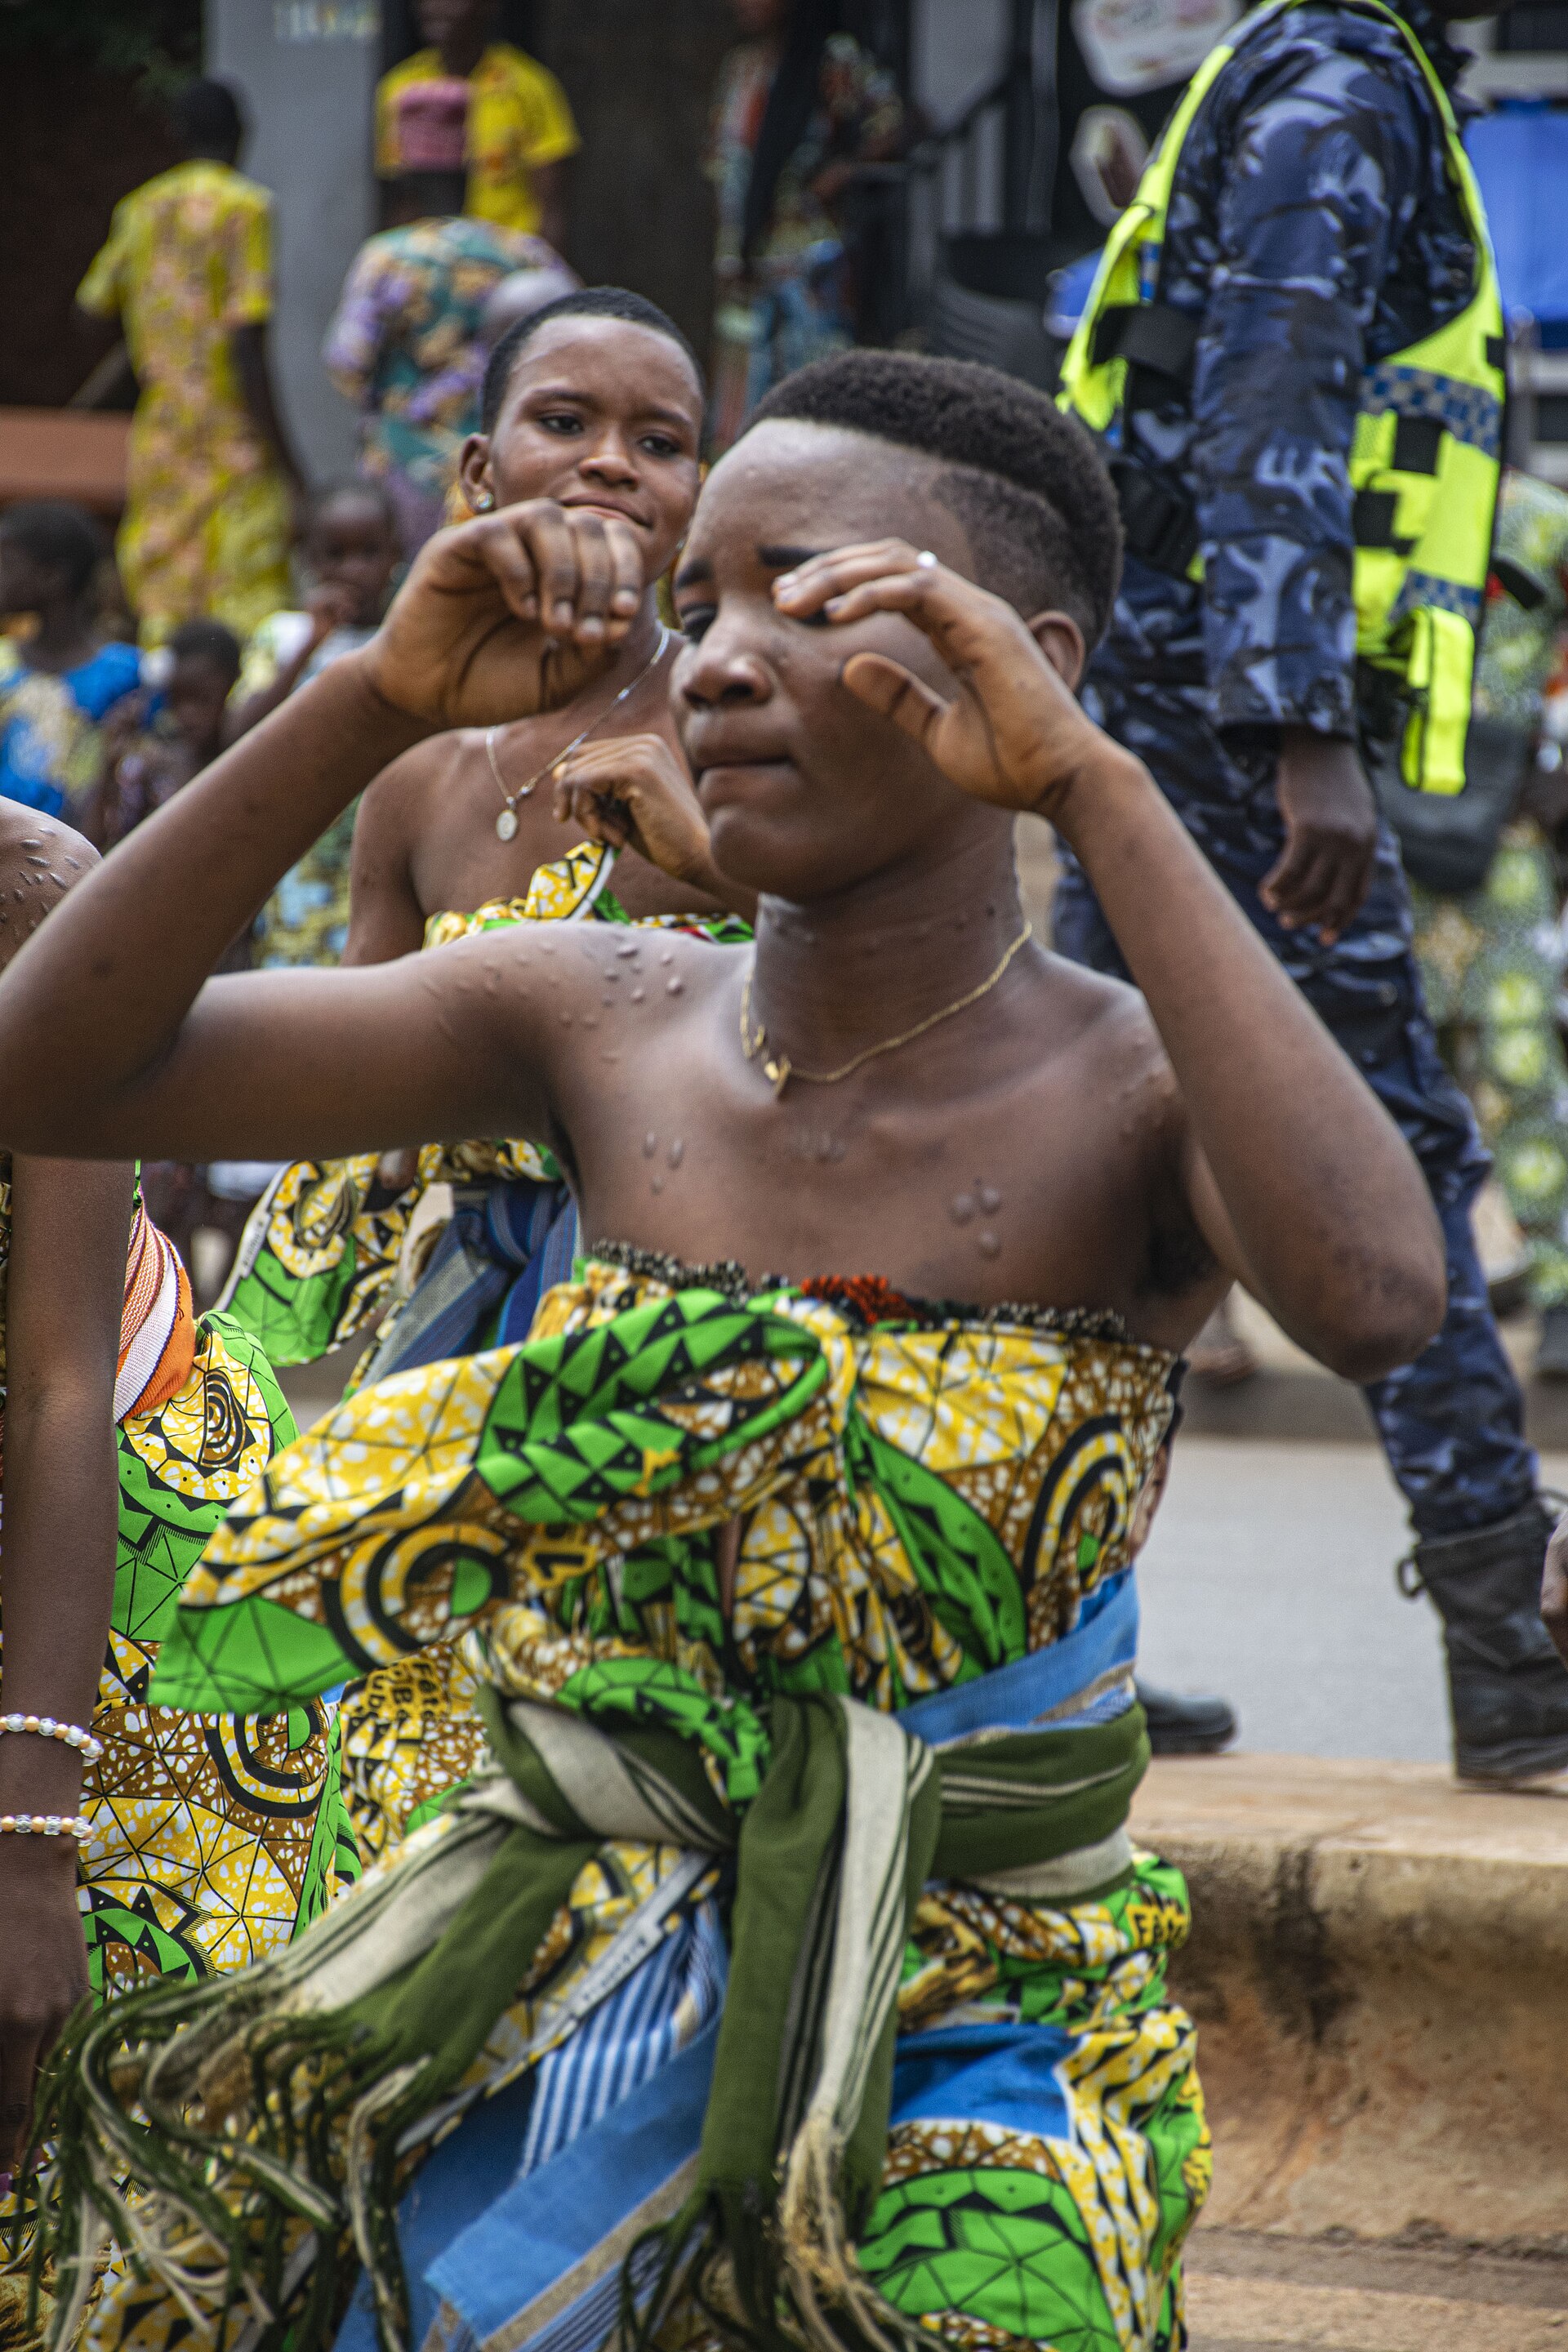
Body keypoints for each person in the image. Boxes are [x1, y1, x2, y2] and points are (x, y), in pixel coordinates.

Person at [0, 350, 1445, 2352]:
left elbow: (1377, 1291)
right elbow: (55, 1064)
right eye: (700, 607)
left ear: (1021, 660)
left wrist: (1096, 789)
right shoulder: (597, 1013)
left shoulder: (1131, 1092)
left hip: (982, 2029)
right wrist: (371, 700)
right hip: (523, 1985)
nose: (723, 659)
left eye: (817, 598)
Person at [1056, 0, 1568, 1782]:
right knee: (1386, 1156)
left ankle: (1039, 1654)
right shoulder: (1344, 90)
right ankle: (1516, 1663)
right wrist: (1299, 725)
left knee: (1088, 1152)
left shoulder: (1308, 74)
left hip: (1144, 705)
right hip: (1218, 716)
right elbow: (1266, 394)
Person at [221, 292, 745, 1865]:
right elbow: (359, 1081)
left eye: (659, 443)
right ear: (475, 469)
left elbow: (860, 1003)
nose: (609, 466)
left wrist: (715, 866)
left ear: (696, 503)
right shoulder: (415, 774)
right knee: (402, 1711)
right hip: (462, 1290)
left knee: (615, 1709)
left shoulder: (734, 719)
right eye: (564, 422)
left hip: (665, 1289)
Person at [0, 805, 350, 2269]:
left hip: (118, 1581)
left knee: (124, 2155)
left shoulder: (29, 899)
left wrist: (27, 1848)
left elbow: (61, 1390)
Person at [1408, 470, 1568, 1376]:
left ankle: (1558, 1292)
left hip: (1503, 832)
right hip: (1375, 831)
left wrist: (1559, 756)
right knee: (1401, 1073)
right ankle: (1431, 1296)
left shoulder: (1538, 520)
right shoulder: (1373, 505)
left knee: (1520, 1061)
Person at [75, 78, 306, 645]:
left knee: (165, 587)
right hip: (231, 434)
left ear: (177, 135)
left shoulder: (141, 208)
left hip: (165, 435)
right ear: (241, 135)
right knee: (245, 591)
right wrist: (289, 462)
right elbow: (246, 343)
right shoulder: (246, 209)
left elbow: (91, 308)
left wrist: (155, 339)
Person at [327, 111, 565, 556]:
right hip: (503, 464)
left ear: (408, 177)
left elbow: (348, 363)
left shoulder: (385, 257)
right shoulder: (524, 252)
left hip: (403, 467)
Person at [707, 0, 903, 452]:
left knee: (814, 401)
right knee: (739, 411)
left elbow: (896, 123)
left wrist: (844, 171)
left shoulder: (833, 61)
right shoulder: (742, 69)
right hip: (745, 259)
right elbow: (725, 170)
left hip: (810, 261)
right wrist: (731, 250)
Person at [229, 481, 405, 973]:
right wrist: (310, 644)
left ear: (397, 553)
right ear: (307, 558)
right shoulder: (282, 634)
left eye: (369, 553)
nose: (353, 570)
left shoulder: (412, 638)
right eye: (334, 555)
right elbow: (239, 735)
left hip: (382, 857)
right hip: (298, 864)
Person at [375, 0, 577, 248]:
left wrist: (539, 271)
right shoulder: (401, 90)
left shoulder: (527, 86)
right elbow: (397, 199)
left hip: (508, 262)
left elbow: (552, 206)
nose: (435, 7)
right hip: (428, 258)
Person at [0, 504, 140, 822]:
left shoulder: (124, 674)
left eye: (6, 564)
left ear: (53, 577)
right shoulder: (4, 663)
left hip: (85, 852)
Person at [93, 617, 242, 848]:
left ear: (231, 686)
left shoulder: (245, 753)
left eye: (203, 700)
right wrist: (108, 766)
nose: (188, 715)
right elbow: (98, 839)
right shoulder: (152, 768)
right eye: (178, 700)